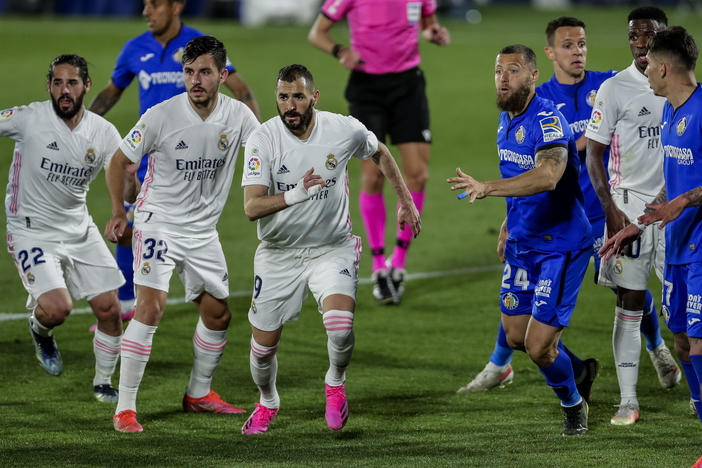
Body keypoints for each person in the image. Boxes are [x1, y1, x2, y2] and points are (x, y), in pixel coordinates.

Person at [459, 15, 679, 401]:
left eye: (582, 44)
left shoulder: (607, 85)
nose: (577, 51)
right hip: (559, 220)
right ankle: (501, 361)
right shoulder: (532, 99)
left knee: (629, 288)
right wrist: (509, 223)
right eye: (567, 45)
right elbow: (520, 166)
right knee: (523, 293)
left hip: (607, 208)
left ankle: (656, 347)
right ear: (549, 54)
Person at [239, 64, 420, 434]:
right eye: (283, 97)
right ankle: (267, 400)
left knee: (340, 326)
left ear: (314, 98)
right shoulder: (263, 139)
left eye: (298, 97)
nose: (290, 105)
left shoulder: (343, 129)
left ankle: (335, 382)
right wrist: (295, 194)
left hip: (330, 247)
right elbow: (251, 207)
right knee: (262, 351)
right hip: (278, 253)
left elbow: (380, 151)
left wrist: (404, 199)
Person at [104, 36, 259, 433]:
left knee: (218, 313)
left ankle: (198, 393)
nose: (196, 80)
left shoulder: (239, 117)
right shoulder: (161, 116)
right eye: (189, 72)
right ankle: (125, 408)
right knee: (150, 308)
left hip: (203, 231)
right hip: (158, 220)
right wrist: (121, 211)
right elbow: (120, 160)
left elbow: (267, 153)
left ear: (222, 76)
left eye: (205, 72)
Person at [448, 45, 593, 435]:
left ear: (532, 75)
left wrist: (487, 187)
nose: (503, 77)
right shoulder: (506, 120)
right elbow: (520, 179)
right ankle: (577, 370)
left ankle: (573, 404)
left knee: (538, 347)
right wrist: (507, 225)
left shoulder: (547, 119)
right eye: (498, 70)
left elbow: (548, 176)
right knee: (514, 336)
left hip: (560, 245)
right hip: (523, 242)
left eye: (513, 70)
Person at [90, 0, 261, 322]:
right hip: (145, 156)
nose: (146, 12)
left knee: (136, 227)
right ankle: (133, 302)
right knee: (128, 227)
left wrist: (257, 142)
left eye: (155, 5)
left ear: (176, 6)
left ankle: (136, 303)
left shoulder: (199, 46)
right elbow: (112, 92)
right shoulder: (134, 49)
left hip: (189, 161)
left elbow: (241, 89)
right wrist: (82, 124)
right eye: (145, 5)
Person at [0, 54, 136, 402]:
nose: (64, 90)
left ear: (86, 86)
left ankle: (103, 382)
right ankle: (40, 329)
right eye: (57, 83)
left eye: (72, 82)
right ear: (48, 86)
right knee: (57, 308)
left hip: (79, 229)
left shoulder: (103, 133)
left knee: (110, 309)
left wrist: (124, 201)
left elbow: (123, 183)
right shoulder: (29, 118)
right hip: (31, 229)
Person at [307, 0, 448, 305]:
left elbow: (428, 23)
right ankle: (378, 265)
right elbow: (317, 33)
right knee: (372, 178)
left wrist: (433, 32)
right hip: (367, 89)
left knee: (418, 176)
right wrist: (340, 51)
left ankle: (398, 264)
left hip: (408, 86)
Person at [601, 25, 702, 428]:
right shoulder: (672, 111)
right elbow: (674, 178)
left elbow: (685, 192)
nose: (644, 72)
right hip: (676, 244)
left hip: (700, 248)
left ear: (663, 68)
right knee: (680, 341)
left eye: (649, 66)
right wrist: (640, 223)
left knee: (698, 344)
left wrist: (682, 202)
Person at [585, 6, 681, 426]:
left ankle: (676, 367)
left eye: (649, 35)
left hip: (677, 213)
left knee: (682, 309)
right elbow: (593, 154)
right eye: (634, 36)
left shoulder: (682, 90)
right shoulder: (614, 89)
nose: (641, 43)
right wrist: (611, 209)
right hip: (629, 208)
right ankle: (627, 400)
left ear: (665, 37)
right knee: (629, 301)